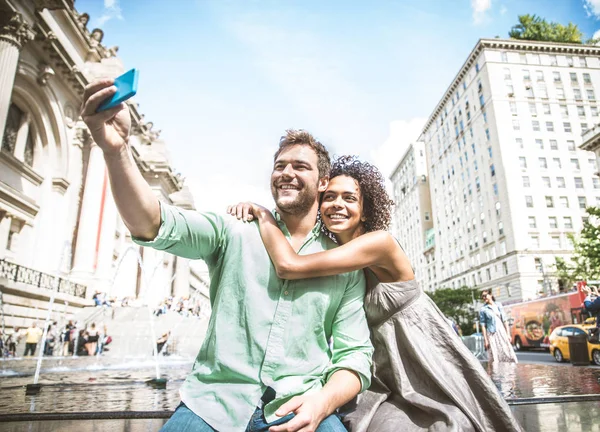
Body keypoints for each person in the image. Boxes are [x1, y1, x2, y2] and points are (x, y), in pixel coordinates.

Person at [80, 80, 373, 432]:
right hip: (214, 404)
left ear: (323, 181)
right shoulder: (233, 229)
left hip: (302, 405)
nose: (286, 173)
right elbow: (152, 223)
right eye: (280, 166)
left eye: (300, 166)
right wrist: (116, 151)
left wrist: (322, 402)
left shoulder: (345, 265)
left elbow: (354, 355)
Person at [228, 156, 522, 431]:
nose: (336, 204)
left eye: (349, 198)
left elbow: (288, 265)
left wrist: (263, 215)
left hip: (423, 355)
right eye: (329, 197)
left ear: (365, 209)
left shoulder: (379, 243)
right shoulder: (338, 257)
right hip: (385, 367)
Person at [480, 289, 518, 365]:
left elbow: (505, 320)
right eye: (482, 297)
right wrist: (486, 340)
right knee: (495, 355)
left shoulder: (498, 305)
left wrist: (508, 334)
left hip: (501, 331)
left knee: (507, 351)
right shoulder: (483, 309)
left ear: (490, 295)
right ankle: (496, 373)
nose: (484, 298)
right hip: (491, 333)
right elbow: (483, 325)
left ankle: (510, 372)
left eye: (485, 295)